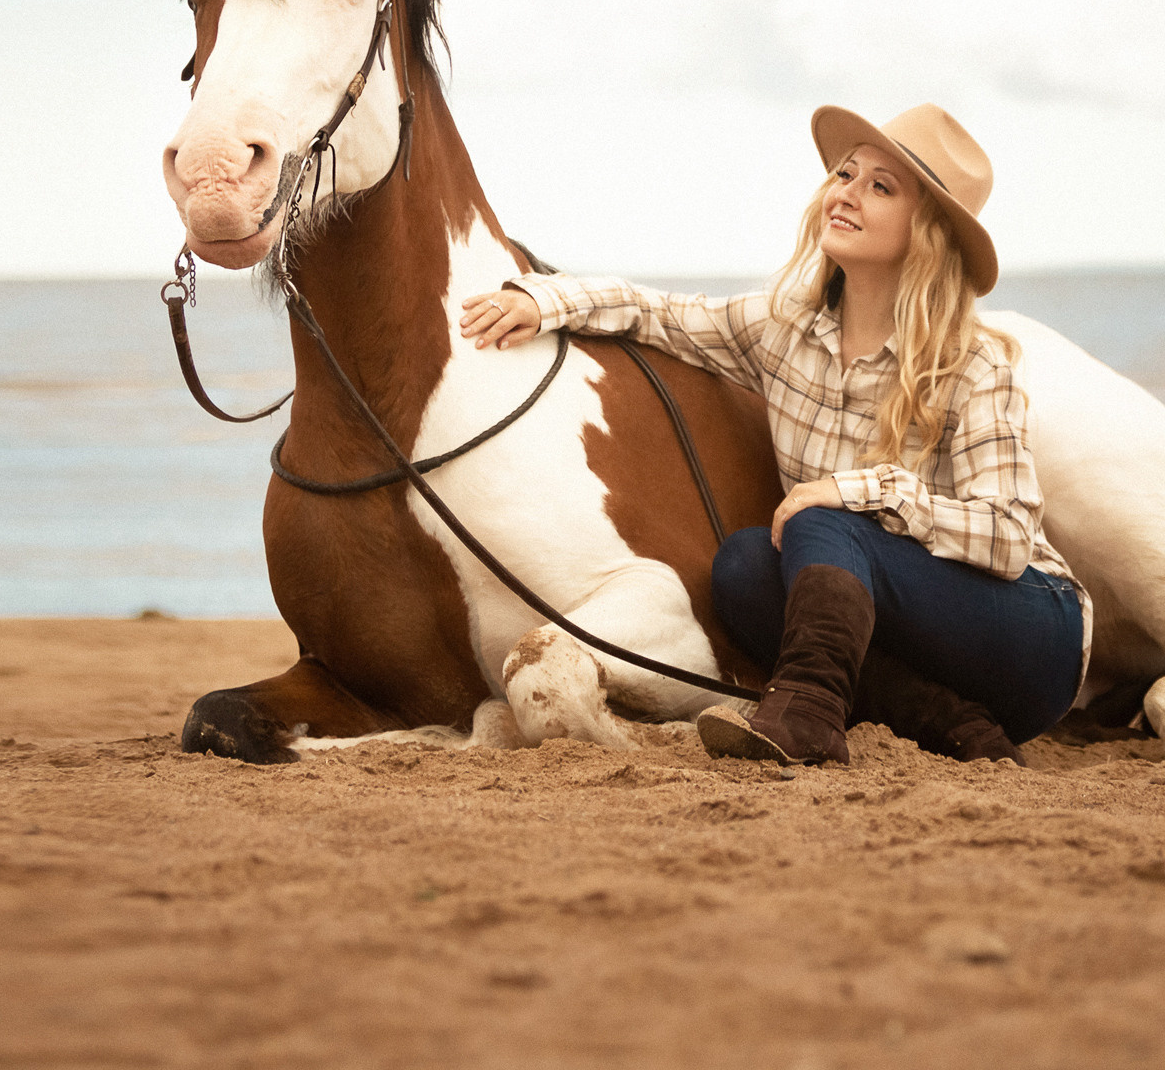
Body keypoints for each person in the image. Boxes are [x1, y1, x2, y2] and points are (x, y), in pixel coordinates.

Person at [457, 104, 1089, 767]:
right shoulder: (783, 331)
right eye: (847, 174)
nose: (846, 192)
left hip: (1029, 637)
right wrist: (543, 302)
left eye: (881, 186)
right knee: (744, 569)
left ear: (925, 231)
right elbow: (655, 313)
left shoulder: (972, 363)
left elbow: (1007, 537)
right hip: (913, 652)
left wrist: (861, 492)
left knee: (822, 521)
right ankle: (947, 723)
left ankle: (808, 718)